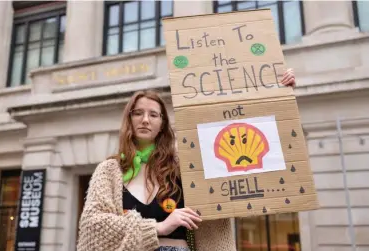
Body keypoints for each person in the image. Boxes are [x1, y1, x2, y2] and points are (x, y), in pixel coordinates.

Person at [76, 69, 296, 251]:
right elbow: (92, 224)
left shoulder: (183, 166)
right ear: (129, 119)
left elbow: (238, 140)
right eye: (138, 113)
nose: (145, 120)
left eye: (153, 114)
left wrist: (275, 92)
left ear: (162, 124)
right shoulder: (109, 170)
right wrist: (158, 227)